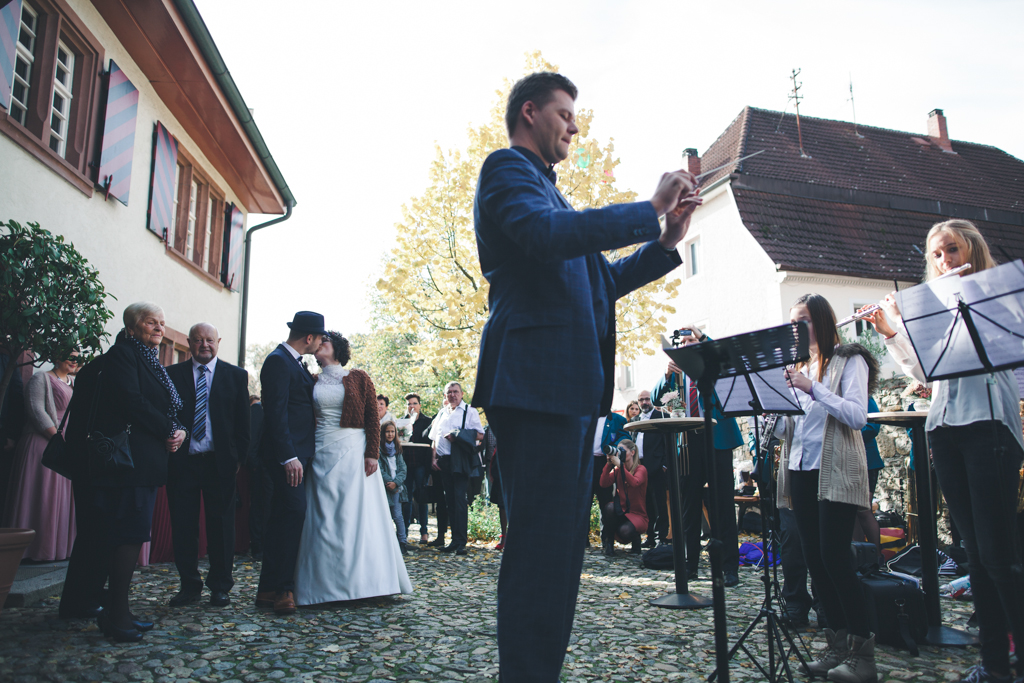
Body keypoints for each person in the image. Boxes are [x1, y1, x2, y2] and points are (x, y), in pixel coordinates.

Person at [471, 71, 701, 681]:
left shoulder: (556, 197)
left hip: (570, 395)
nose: (575, 124)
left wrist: (666, 238)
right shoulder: (507, 171)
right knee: (538, 553)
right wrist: (647, 209)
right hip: (534, 387)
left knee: (561, 557)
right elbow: (545, 238)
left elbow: (603, 280)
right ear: (529, 112)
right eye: (566, 112)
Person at [863, 219, 1024, 683]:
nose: (944, 261)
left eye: (951, 250)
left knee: (999, 552)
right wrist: (893, 330)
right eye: (935, 255)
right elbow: (928, 370)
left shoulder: (990, 296)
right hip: (945, 428)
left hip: (989, 423)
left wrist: (957, 300)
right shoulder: (931, 305)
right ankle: (994, 663)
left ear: (970, 248)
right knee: (975, 552)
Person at [61, 302, 186, 642]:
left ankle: (120, 610)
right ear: (132, 327)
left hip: (144, 463)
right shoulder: (124, 354)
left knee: (126, 536)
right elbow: (132, 401)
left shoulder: (151, 361)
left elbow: (166, 407)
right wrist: (166, 428)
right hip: (128, 465)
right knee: (126, 538)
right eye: (150, 322)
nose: (159, 328)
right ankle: (116, 616)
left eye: (162, 322)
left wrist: (179, 430)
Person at [775, 294, 879, 682]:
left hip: (833, 469)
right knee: (815, 561)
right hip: (800, 468)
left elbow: (856, 415)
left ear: (820, 320)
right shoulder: (799, 365)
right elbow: (797, 428)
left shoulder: (848, 360)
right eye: (792, 322)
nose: (796, 329)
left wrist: (811, 388)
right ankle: (835, 646)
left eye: (802, 320)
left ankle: (863, 655)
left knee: (836, 558)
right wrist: (777, 412)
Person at [293, 331, 411, 604]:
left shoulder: (358, 377)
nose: (319, 344)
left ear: (337, 349)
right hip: (321, 449)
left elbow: (372, 417)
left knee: (354, 512)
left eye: (325, 341)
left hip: (354, 450)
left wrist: (372, 453)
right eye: (318, 341)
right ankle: (322, 585)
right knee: (323, 513)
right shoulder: (310, 379)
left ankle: (365, 583)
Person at [165, 323, 250, 608]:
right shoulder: (172, 375)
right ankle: (189, 586)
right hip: (183, 463)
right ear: (189, 342)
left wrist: (238, 458)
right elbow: (165, 415)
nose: (204, 345)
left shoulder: (235, 376)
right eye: (199, 340)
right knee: (184, 526)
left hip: (220, 463)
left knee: (222, 527)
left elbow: (243, 423)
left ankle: (220, 587)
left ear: (219, 342)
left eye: (209, 340)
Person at [652, 325, 744, 586]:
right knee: (688, 506)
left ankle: (729, 567)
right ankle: (689, 565)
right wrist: (665, 375)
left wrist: (703, 338)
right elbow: (659, 400)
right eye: (682, 342)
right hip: (686, 442)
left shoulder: (712, 363)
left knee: (722, 505)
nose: (687, 345)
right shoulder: (676, 372)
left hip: (717, 438)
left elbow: (723, 358)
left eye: (691, 339)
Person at [254, 311, 325, 616]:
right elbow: (276, 413)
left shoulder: (293, 362)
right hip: (288, 457)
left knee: (283, 518)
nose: (321, 342)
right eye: (319, 337)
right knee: (293, 514)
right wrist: (289, 456)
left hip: (301, 454)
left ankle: (268, 589)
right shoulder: (277, 361)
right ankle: (284, 588)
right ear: (309, 338)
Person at [3, 350, 80, 561]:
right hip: (42, 442)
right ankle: (32, 549)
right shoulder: (41, 378)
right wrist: (56, 439)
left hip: (66, 444)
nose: (75, 361)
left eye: (77, 358)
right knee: (41, 495)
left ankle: (57, 549)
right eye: (70, 357)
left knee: (62, 497)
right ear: (58, 357)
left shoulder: (74, 383)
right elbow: (36, 410)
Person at [429, 382, 483, 556]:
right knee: (449, 500)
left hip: (460, 460)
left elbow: (481, 435)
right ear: (445, 395)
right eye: (449, 392)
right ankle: (453, 540)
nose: (452, 395)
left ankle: (461, 542)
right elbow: (434, 437)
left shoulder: (469, 411)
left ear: (461, 393)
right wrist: (434, 458)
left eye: (455, 392)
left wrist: (458, 435)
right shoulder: (442, 412)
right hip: (443, 461)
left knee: (460, 500)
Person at [632, 391, 669, 551]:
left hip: (657, 468)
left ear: (652, 400)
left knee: (660, 504)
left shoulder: (662, 417)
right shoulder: (635, 420)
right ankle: (650, 538)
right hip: (639, 468)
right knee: (646, 505)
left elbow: (669, 442)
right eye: (641, 400)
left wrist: (665, 465)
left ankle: (663, 537)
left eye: (647, 399)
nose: (644, 402)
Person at [599, 440, 648, 555]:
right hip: (621, 512)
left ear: (632, 452)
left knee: (625, 532)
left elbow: (635, 482)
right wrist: (608, 465)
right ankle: (609, 543)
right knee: (609, 507)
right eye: (618, 451)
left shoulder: (641, 469)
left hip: (637, 515)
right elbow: (603, 483)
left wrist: (620, 466)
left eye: (623, 451)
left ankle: (636, 541)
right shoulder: (617, 470)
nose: (620, 454)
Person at [591, 410, 629, 556]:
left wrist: (614, 449)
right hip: (587, 463)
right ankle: (583, 540)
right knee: (584, 502)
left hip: (605, 463)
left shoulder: (617, 419)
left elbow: (625, 438)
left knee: (606, 503)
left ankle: (607, 540)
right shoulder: (587, 415)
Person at [401, 393, 434, 544]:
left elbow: (429, 445)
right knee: (406, 500)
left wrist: (428, 469)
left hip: (421, 466)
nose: (412, 406)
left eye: (414, 403)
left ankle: (424, 532)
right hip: (406, 466)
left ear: (420, 405)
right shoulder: (401, 422)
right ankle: (404, 531)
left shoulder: (428, 421)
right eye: (409, 404)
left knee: (422, 499)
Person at [852, 396, 883, 552]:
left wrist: (847, 435)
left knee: (863, 509)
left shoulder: (865, 396)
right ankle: (859, 556)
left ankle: (876, 557)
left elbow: (872, 427)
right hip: (848, 459)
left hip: (867, 460)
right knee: (852, 512)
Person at [246, 394, 270, 559]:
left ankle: (261, 545)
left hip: (262, 466)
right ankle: (258, 546)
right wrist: (254, 464)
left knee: (263, 505)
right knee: (260, 505)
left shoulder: (260, 410)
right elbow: (253, 439)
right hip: (261, 466)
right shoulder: (257, 410)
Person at [379, 420, 408, 553]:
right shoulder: (379, 449)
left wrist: (396, 482)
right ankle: (386, 542)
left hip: (396, 488)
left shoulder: (397, 449)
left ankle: (402, 541)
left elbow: (402, 469)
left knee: (397, 515)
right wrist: (388, 482)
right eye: (387, 431)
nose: (390, 434)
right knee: (384, 516)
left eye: (392, 431)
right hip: (384, 487)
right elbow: (380, 469)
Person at [482, 425, 508, 549]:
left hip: (514, 467)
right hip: (499, 470)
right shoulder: (491, 428)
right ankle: (504, 536)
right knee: (502, 505)